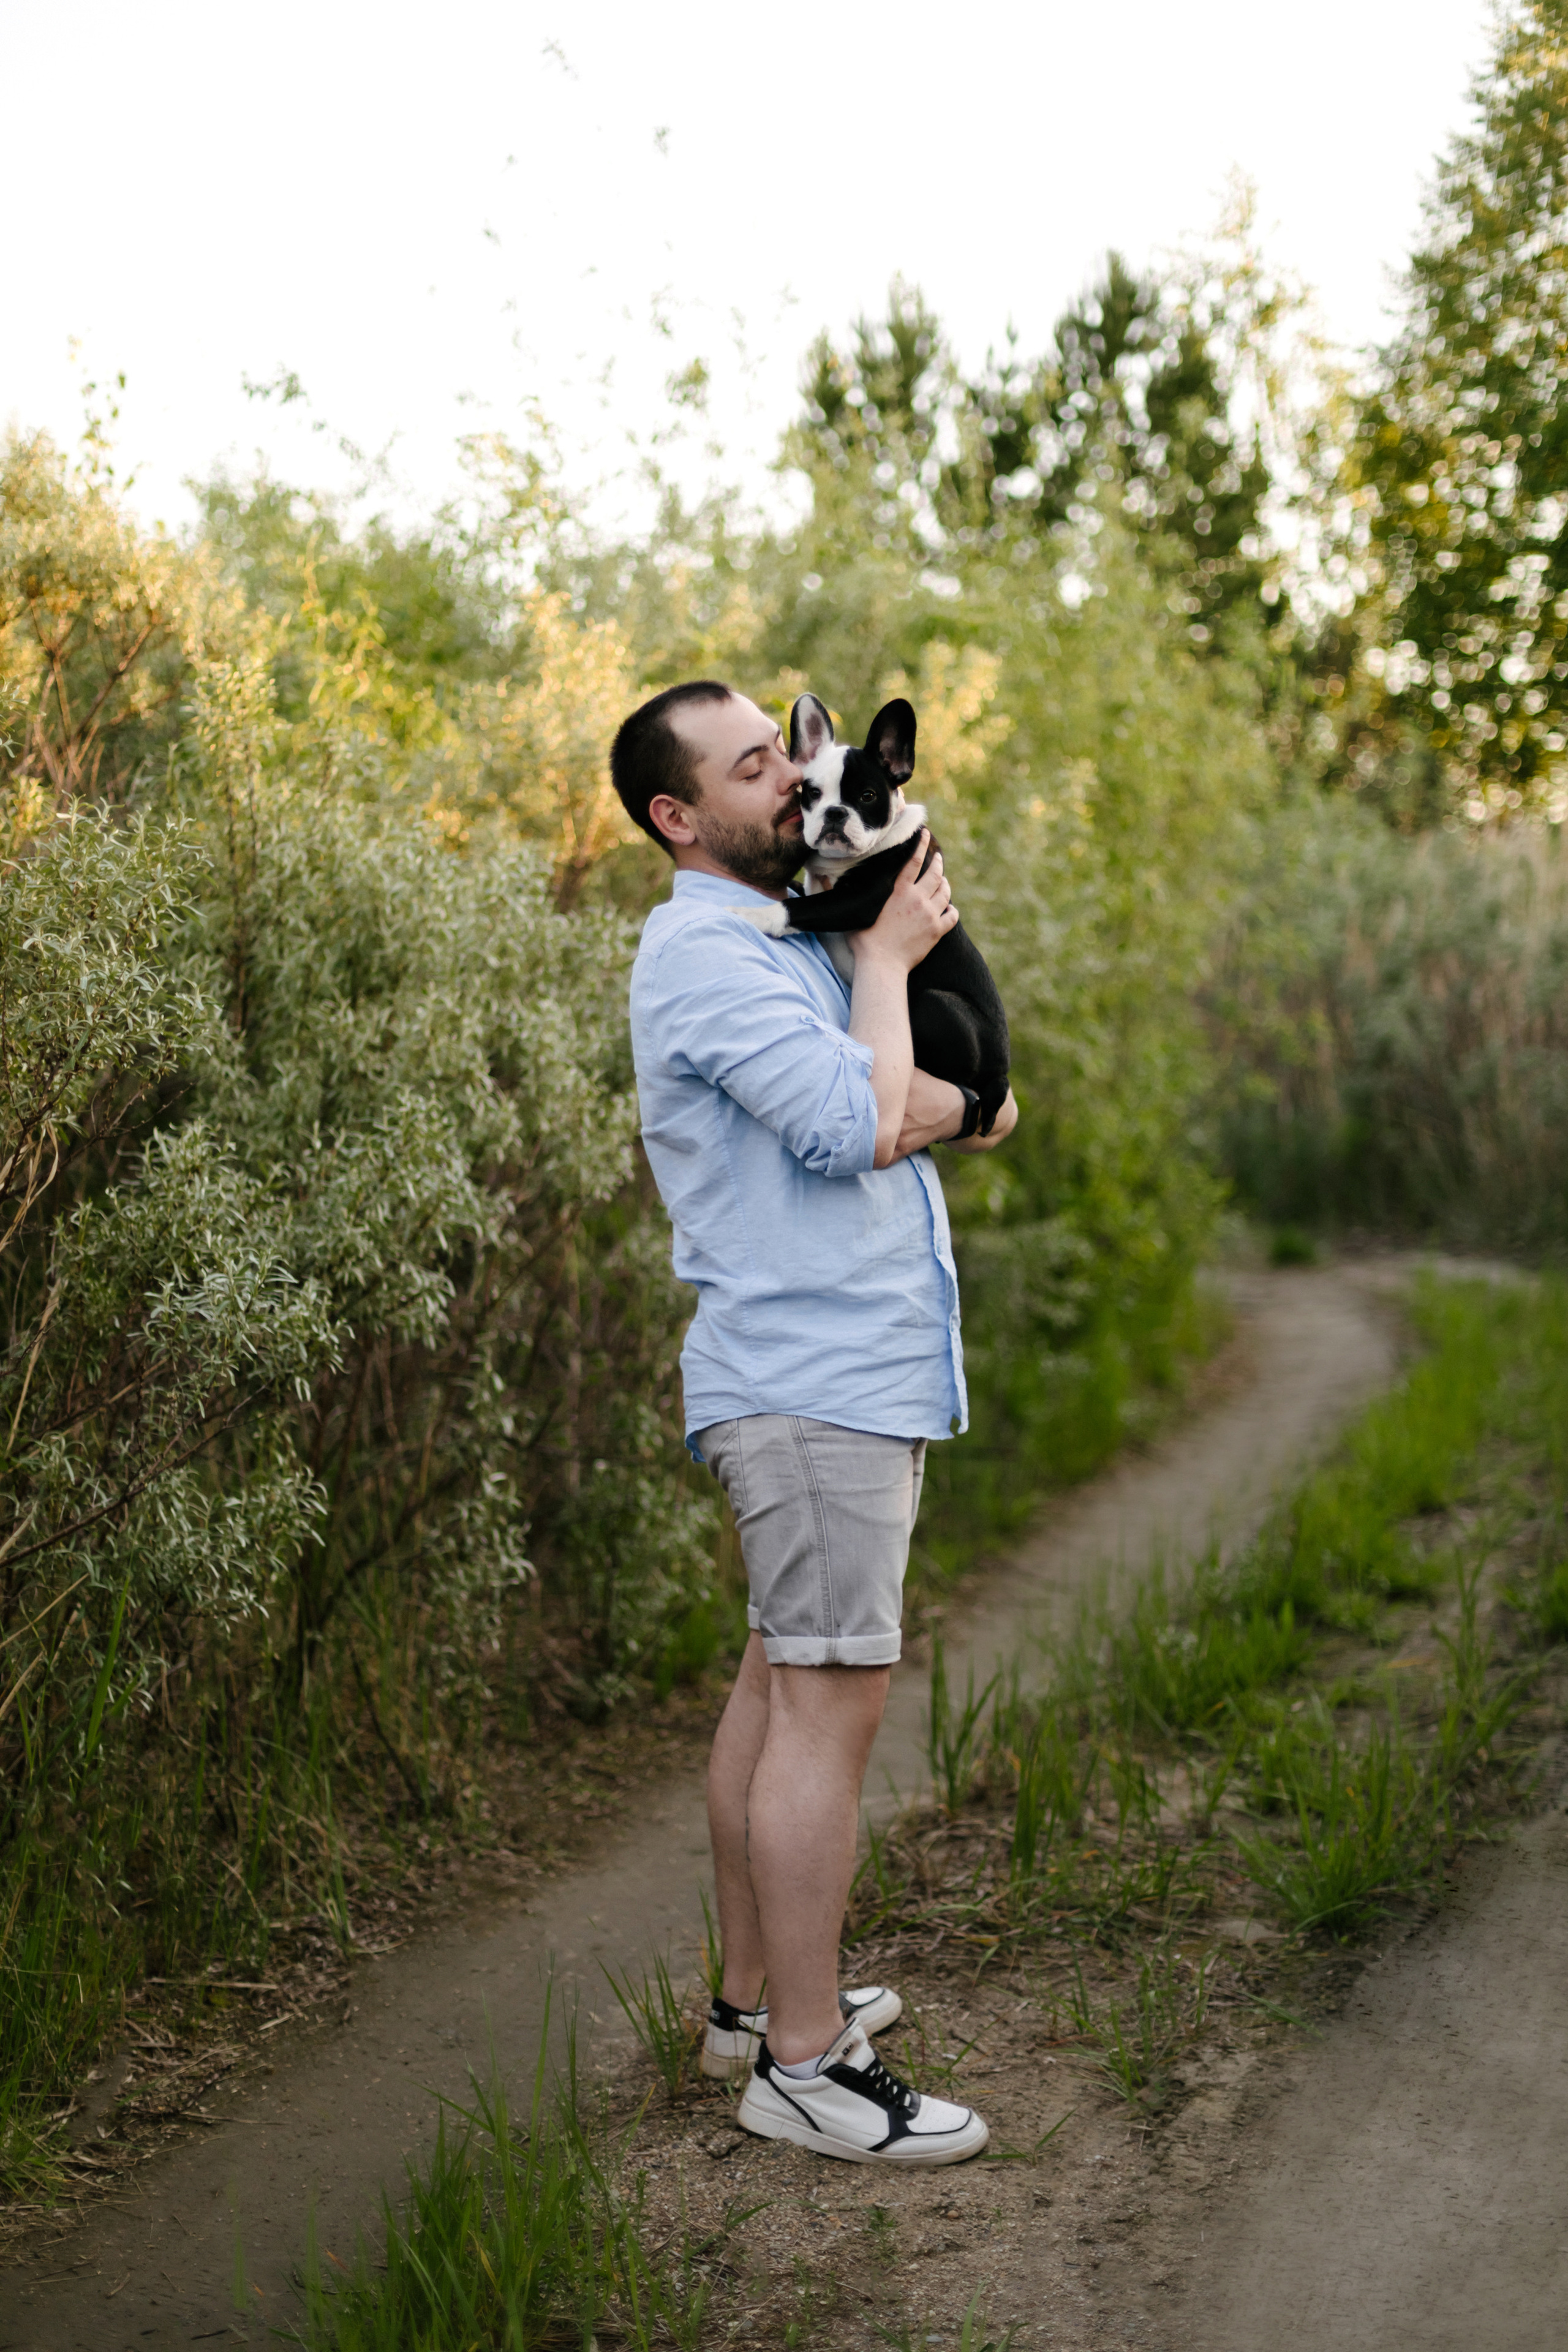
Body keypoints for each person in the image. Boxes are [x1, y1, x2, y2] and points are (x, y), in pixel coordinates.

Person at [612, 680, 1018, 2165]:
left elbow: (973, 1103)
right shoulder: (712, 963)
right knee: (829, 1713)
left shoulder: (797, 937)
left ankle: (746, 2003)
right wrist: (898, 971)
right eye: (752, 765)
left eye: (785, 751)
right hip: (810, 1380)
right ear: (677, 816)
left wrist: (915, 1061)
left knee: (779, 1694)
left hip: (833, 1373)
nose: (790, 779)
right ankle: (798, 2066)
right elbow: (864, 1120)